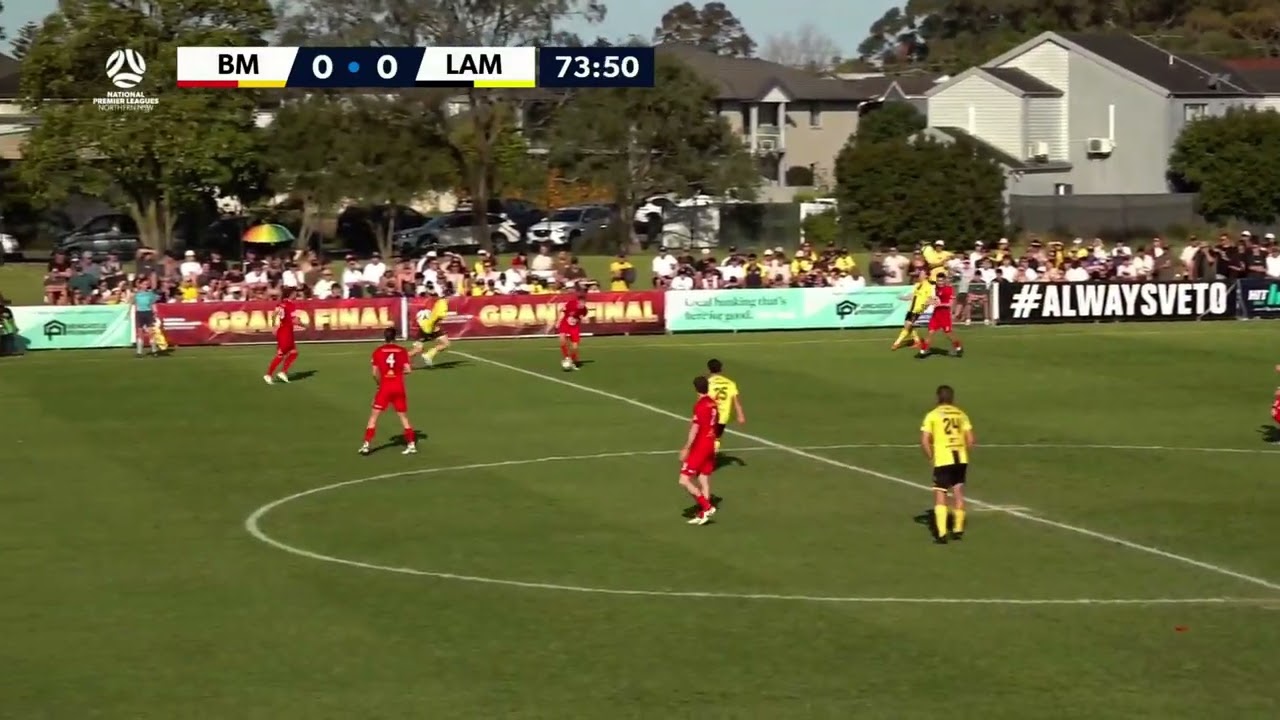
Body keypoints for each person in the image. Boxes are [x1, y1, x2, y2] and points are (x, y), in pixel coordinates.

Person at [920, 385, 975, 544]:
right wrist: (964, 454)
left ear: (938, 397)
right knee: (958, 491)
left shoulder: (932, 415)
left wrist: (931, 458)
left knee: (940, 493)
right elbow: (971, 440)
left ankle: (942, 534)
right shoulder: (961, 414)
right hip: (960, 458)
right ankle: (958, 530)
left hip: (943, 458)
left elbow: (924, 441)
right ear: (952, 398)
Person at [361, 327, 418, 456]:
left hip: (385, 388)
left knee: (374, 416)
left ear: (384, 337)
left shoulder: (378, 351)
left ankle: (366, 444)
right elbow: (408, 370)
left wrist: (379, 384)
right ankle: (411, 444)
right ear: (395, 337)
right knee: (403, 417)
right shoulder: (402, 351)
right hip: (398, 387)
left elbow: (374, 373)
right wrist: (397, 372)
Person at [680, 375, 720, 526]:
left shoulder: (700, 405)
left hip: (701, 446)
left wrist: (687, 447)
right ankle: (703, 514)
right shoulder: (713, 403)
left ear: (695, 388)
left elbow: (695, 428)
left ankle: (707, 506)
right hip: (711, 444)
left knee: (683, 480)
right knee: (703, 478)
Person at [916, 273, 963, 359]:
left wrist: (940, 304)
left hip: (945, 316)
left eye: (941, 281)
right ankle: (922, 351)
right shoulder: (935, 288)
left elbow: (950, 304)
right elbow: (932, 298)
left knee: (949, 335)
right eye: (938, 280)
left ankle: (958, 347)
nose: (939, 282)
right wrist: (927, 302)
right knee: (930, 333)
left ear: (945, 280)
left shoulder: (949, 289)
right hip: (936, 315)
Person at [705, 358, 745, 453]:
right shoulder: (730, 383)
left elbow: (702, 400)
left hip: (711, 415)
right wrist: (740, 415)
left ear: (709, 369)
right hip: (724, 416)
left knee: (705, 437)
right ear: (721, 369)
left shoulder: (707, 383)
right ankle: (713, 452)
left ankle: (708, 457)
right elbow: (736, 401)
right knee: (716, 437)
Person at [264, 290, 301, 384]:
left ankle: (283, 372)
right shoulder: (291, 305)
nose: (296, 295)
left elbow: (273, 315)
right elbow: (294, 320)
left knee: (294, 352)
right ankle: (268, 374)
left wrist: (273, 326)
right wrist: (303, 323)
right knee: (281, 354)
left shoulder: (280, 304)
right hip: (286, 332)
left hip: (283, 330)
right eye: (294, 293)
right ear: (290, 294)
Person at [892, 270, 932, 351]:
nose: (920, 275)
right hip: (911, 309)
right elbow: (912, 296)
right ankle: (917, 341)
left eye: (922, 274)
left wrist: (923, 308)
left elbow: (929, 299)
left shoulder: (928, 286)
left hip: (917, 310)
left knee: (907, 325)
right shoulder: (917, 285)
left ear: (926, 276)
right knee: (909, 326)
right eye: (920, 274)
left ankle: (896, 343)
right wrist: (902, 297)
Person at [412, 290, 451, 368]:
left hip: (432, 328)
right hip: (427, 328)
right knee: (417, 350)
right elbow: (434, 315)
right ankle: (400, 361)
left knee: (446, 343)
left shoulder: (437, 303)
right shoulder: (435, 303)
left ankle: (428, 355)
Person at [557, 283, 588, 370]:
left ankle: (573, 361)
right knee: (562, 339)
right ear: (578, 301)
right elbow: (562, 310)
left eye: (584, 303)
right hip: (565, 323)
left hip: (574, 327)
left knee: (575, 347)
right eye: (581, 303)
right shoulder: (571, 304)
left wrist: (582, 319)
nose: (582, 305)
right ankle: (566, 357)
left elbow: (582, 317)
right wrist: (558, 321)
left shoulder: (584, 310)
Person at [133, 280, 161, 357]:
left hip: (148, 312)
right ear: (140, 285)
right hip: (139, 313)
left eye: (147, 284)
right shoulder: (136, 294)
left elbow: (153, 304)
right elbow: (135, 304)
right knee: (140, 332)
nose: (146, 286)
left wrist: (155, 312)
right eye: (144, 284)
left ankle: (154, 350)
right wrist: (134, 314)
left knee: (150, 332)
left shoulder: (150, 294)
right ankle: (139, 352)